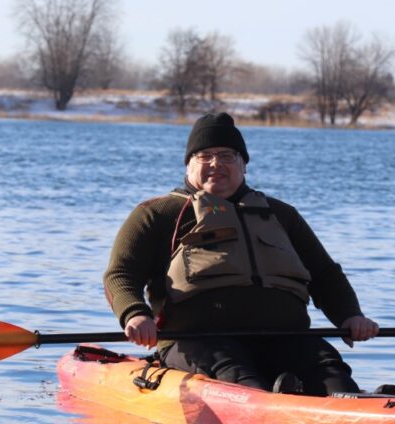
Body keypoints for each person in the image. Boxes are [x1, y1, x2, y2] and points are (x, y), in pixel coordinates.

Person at [103, 112, 380, 396]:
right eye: (205, 156)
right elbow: (120, 273)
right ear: (188, 164)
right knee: (241, 381)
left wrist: (350, 315)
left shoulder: (282, 215)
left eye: (226, 156)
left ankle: (365, 417)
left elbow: (324, 274)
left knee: (333, 375)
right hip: (199, 343)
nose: (215, 164)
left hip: (286, 339)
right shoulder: (157, 214)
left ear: (243, 165)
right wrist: (135, 315)